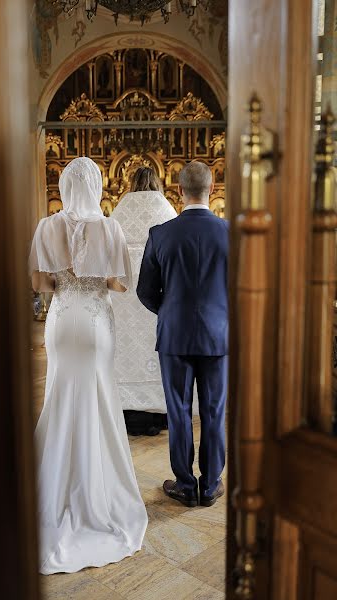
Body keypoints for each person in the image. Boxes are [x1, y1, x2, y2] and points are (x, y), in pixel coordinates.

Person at [29, 157, 148, 574]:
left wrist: (66, 281)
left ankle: (52, 486)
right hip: (96, 324)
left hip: (62, 321)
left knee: (59, 396)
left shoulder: (46, 227)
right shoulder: (110, 227)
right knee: (97, 397)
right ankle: (96, 492)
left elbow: (41, 284)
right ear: (96, 186)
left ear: (64, 185)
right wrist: (99, 279)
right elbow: (120, 283)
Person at [136, 161, 229, 508]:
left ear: (178, 190)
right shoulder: (230, 232)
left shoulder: (161, 233)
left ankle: (186, 485)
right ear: (213, 186)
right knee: (214, 410)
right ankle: (211, 485)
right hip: (218, 337)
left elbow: (145, 290)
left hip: (174, 335)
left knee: (177, 410)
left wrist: (171, 312)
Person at [111, 167, 177, 436]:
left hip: (124, 294)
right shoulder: (166, 210)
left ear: (131, 183)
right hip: (156, 292)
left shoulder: (120, 211)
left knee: (125, 351)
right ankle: (159, 416)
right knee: (153, 351)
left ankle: (128, 412)